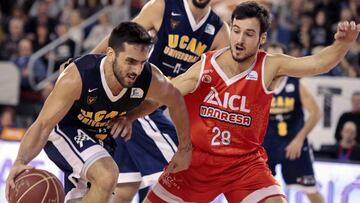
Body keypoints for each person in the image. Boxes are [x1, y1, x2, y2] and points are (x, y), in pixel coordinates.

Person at [122, 1, 358, 202]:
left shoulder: (270, 66)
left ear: (262, 38)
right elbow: (168, 94)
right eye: (236, 30)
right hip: (197, 161)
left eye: (249, 34)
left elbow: (316, 64)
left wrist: (342, 46)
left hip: (244, 164)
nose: (240, 39)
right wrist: (130, 115)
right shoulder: (206, 64)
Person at [5, 22, 192, 203]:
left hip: (99, 136)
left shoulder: (149, 77)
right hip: (65, 128)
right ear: (111, 54)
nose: (136, 70)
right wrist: (20, 160)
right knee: (107, 174)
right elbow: (43, 125)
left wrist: (133, 117)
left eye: (142, 63)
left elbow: (174, 100)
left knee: (97, 191)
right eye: (130, 61)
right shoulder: (78, 76)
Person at [92, 0, 230, 201]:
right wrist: (86, 62)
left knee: (124, 189)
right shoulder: (162, 7)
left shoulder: (219, 30)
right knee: (184, 167)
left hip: (162, 105)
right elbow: (122, 39)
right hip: (139, 98)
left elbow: (225, 78)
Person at [263, 43, 324, 203]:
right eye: (271, 58)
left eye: (279, 57)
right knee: (259, 192)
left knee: (312, 192)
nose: (275, 62)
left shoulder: (296, 83)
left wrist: (299, 139)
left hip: (294, 144)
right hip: (268, 144)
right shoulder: (259, 83)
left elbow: (316, 113)